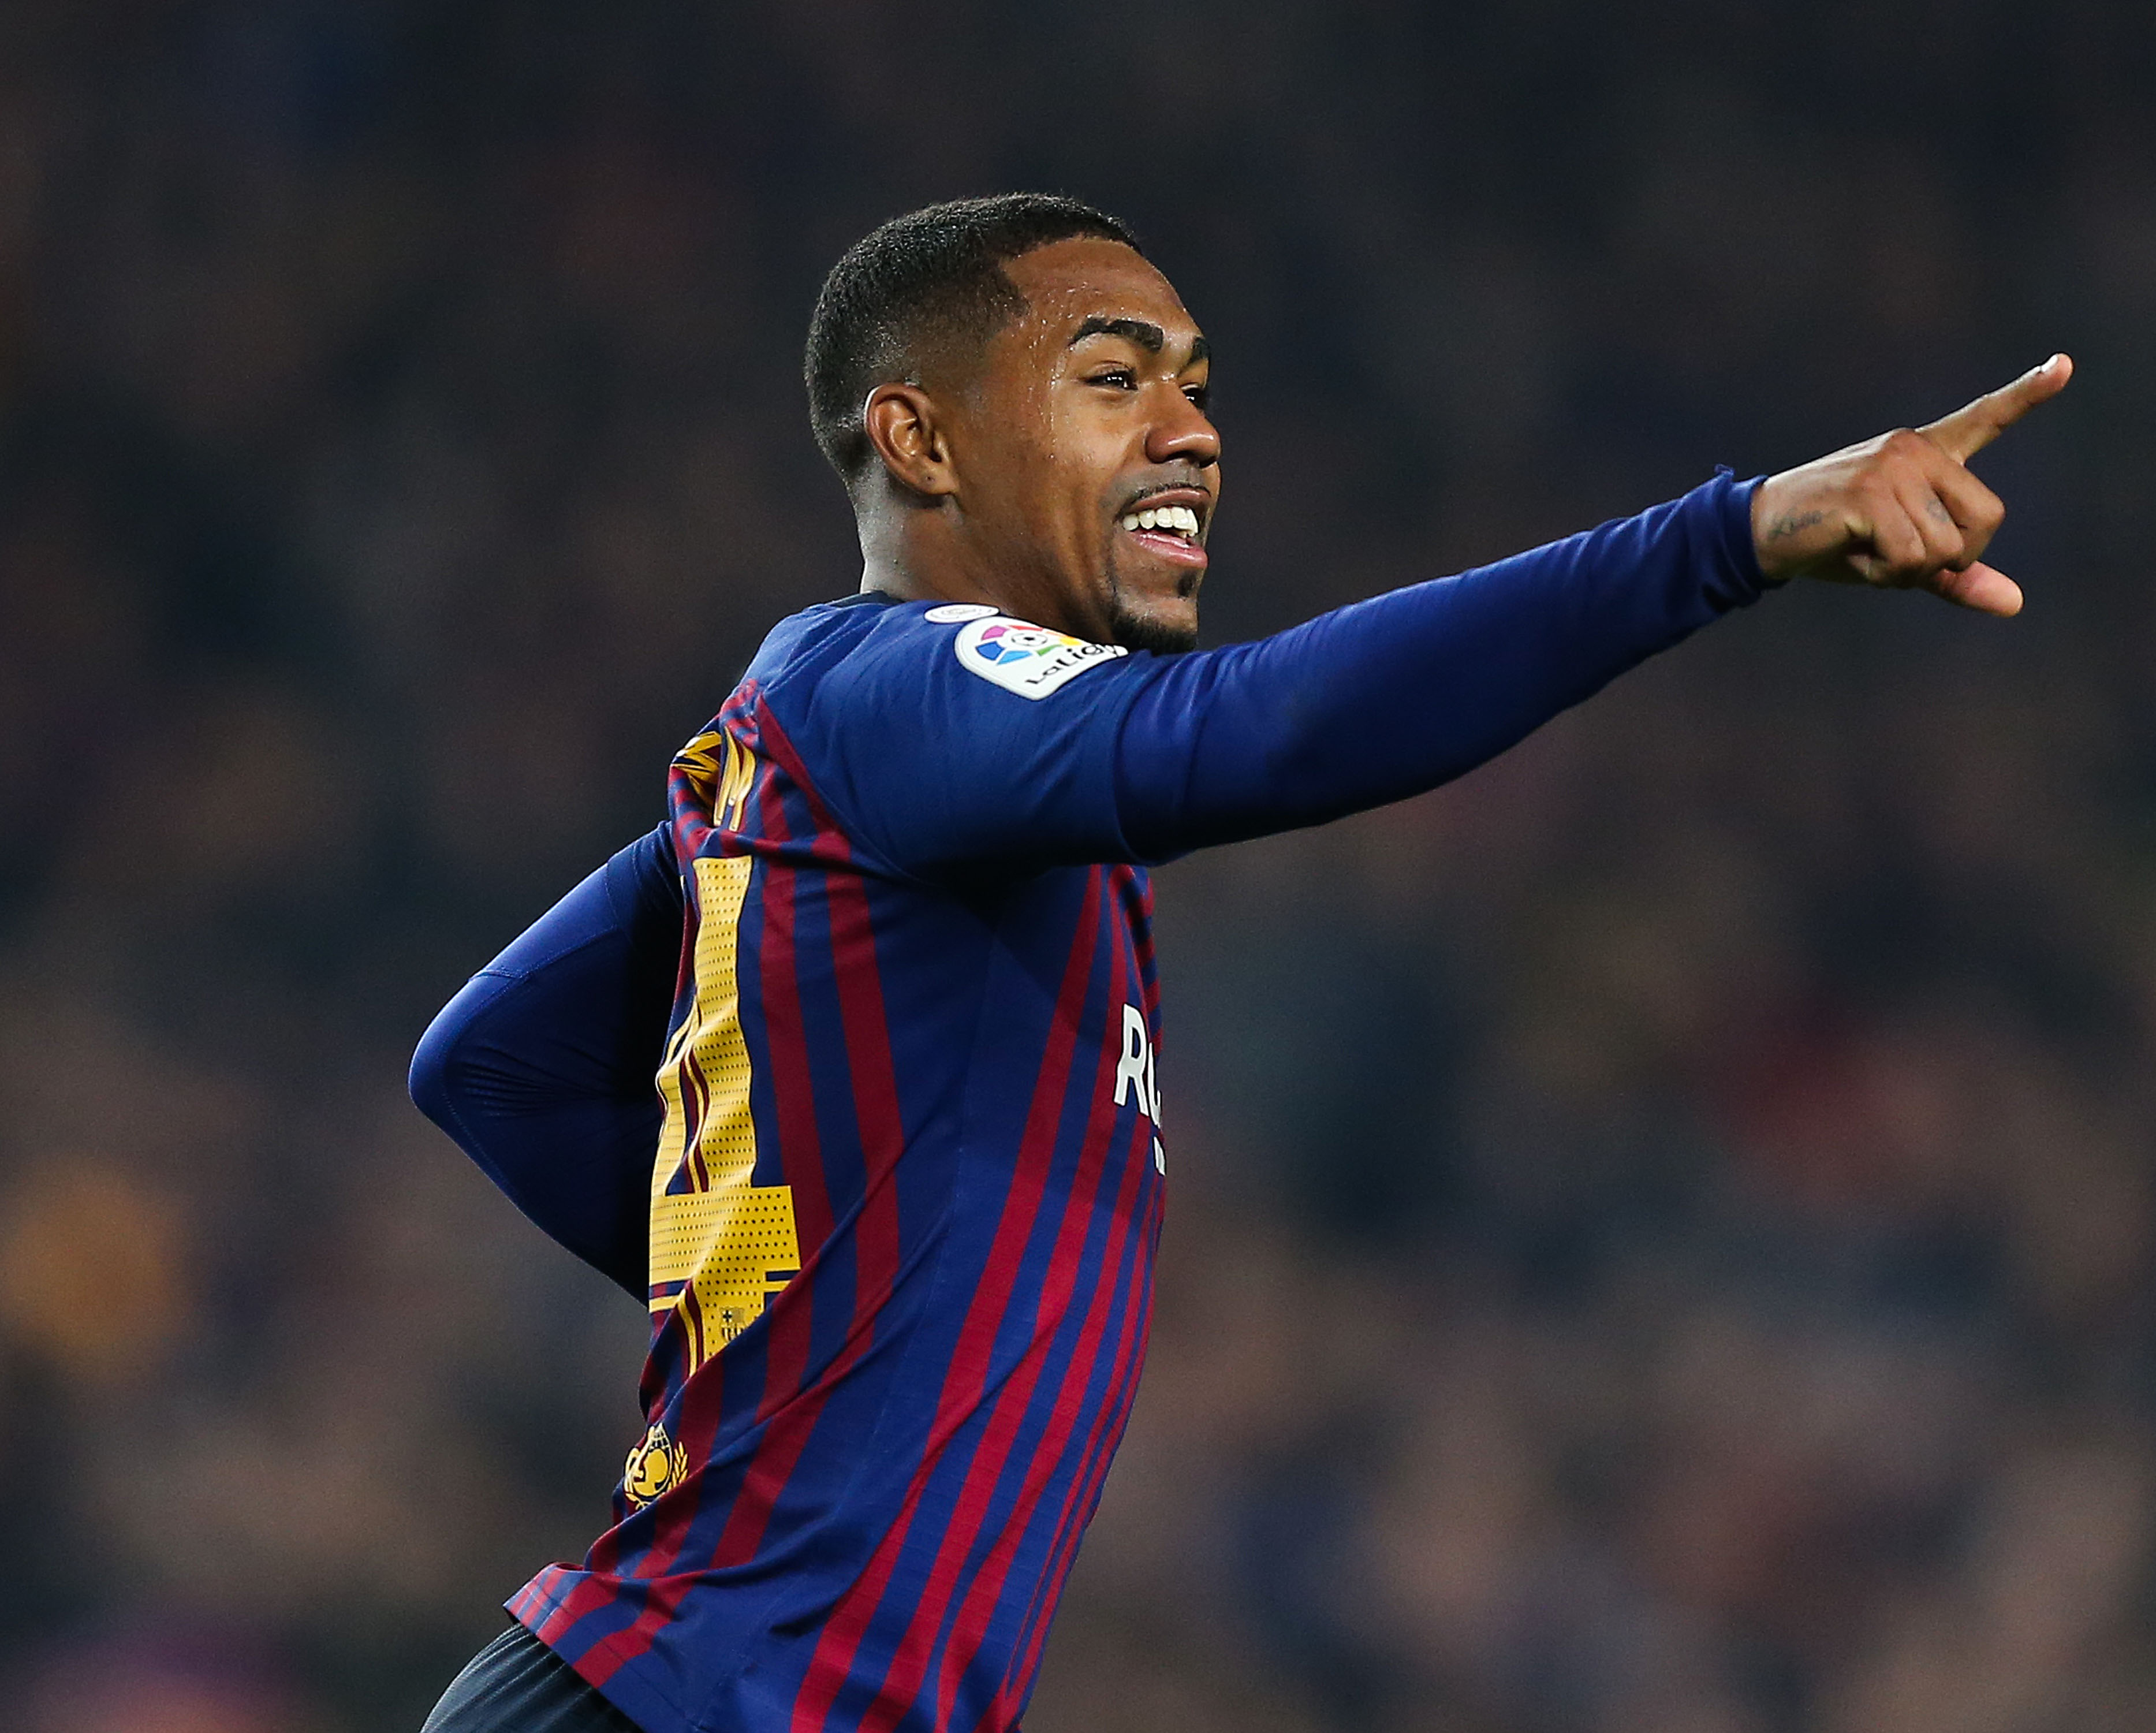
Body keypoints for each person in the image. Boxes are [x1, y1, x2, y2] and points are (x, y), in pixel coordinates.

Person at [408, 192, 2071, 1733]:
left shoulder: (833, 786)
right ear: (917, 437)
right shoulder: (886, 692)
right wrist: (1730, 538)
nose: (1192, 430)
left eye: (1194, 386)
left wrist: (795, 1291)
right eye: (1111, 375)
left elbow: (489, 1063)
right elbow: (1246, 732)